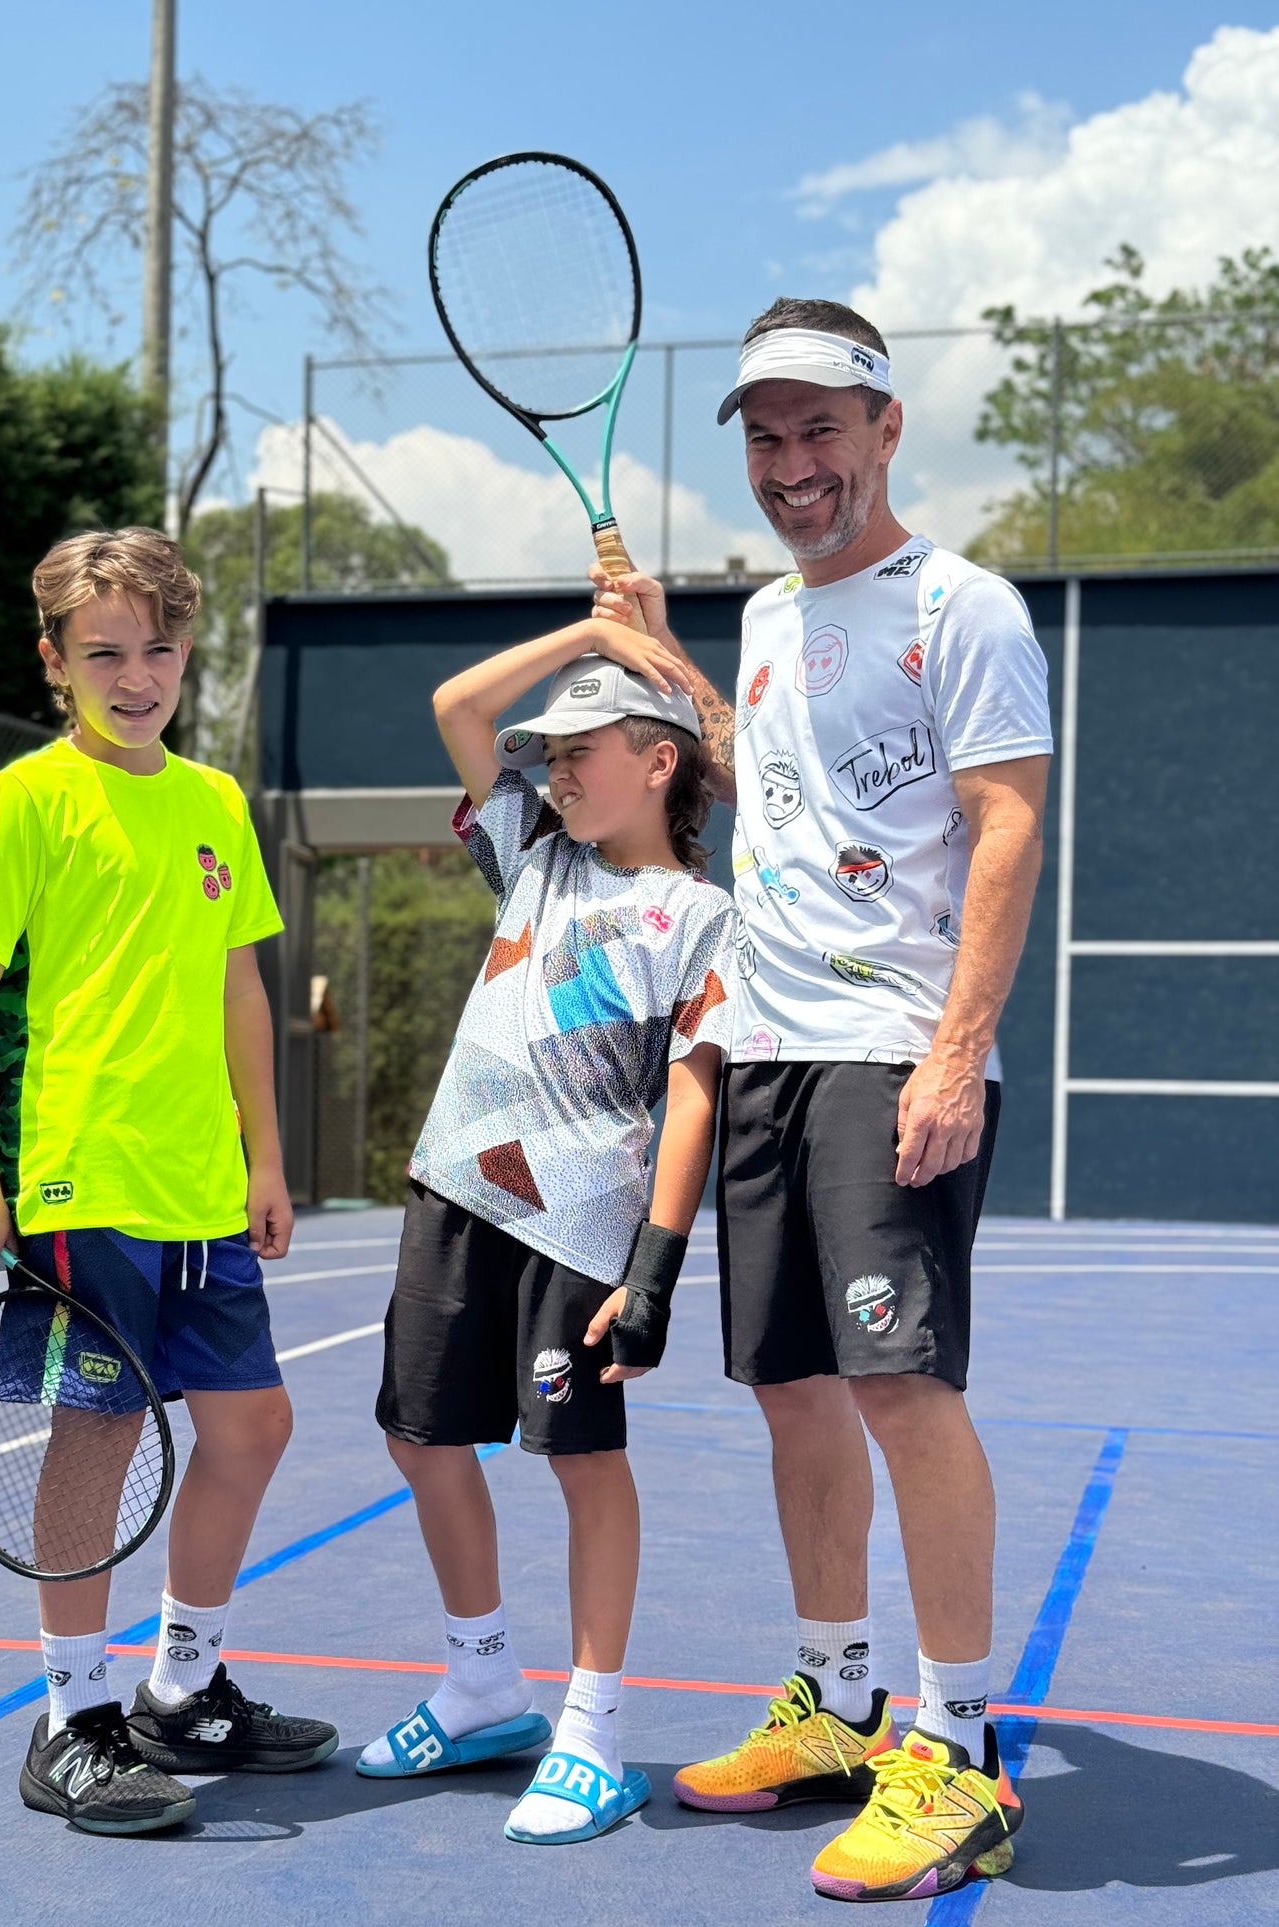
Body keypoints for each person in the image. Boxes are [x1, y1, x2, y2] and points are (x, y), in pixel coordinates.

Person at [592, 298, 1052, 1902]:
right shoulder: (777, 615)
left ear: (882, 428)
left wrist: (952, 1051)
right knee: (793, 1386)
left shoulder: (965, 605)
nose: (793, 463)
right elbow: (772, 774)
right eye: (767, 436)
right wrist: (660, 647)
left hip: (887, 1051)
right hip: (768, 1046)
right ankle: (837, 1696)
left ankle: (960, 1746)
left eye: (819, 429)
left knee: (902, 1390)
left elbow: (1004, 828)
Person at [0, 527, 336, 1835]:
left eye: (158, 646)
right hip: (83, 1179)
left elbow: (238, 990)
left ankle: (182, 1685)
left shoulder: (215, 804)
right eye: (103, 649)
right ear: (55, 659)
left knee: (252, 1423)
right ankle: (71, 1716)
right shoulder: (27, 798)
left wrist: (267, 1155)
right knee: (97, 1430)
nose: (135, 671)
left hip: (202, 1184)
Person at [356, 619, 737, 1846]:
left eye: (582, 751)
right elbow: (457, 707)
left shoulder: (697, 915)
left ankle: (589, 1729)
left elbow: (692, 1093)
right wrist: (592, 630)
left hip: (577, 1225)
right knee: (419, 1435)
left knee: (580, 1463)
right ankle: (481, 1686)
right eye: (551, 755)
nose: (554, 771)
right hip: (452, 1188)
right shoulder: (531, 855)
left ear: (660, 761)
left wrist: (657, 1271)